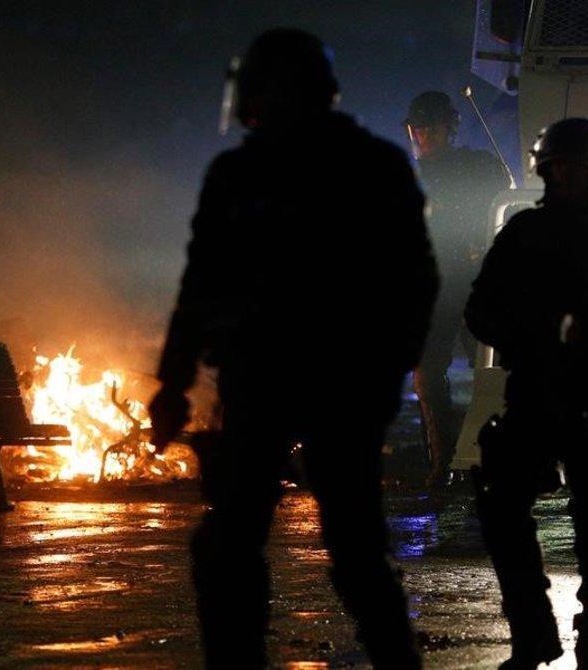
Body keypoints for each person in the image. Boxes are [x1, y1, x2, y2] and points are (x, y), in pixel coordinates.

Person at [149, 28, 438, 669]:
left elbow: (412, 281)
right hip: (296, 386)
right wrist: (173, 381)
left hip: (313, 385)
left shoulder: (263, 172)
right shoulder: (369, 164)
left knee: (302, 549)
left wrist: (173, 385)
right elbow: (203, 284)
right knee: (275, 549)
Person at [465, 118, 588, 669]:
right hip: (534, 390)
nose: (565, 179)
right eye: (557, 168)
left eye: (575, 169)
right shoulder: (526, 233)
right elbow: (480, 311)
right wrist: (531, 332)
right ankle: (533, 631)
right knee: (500, 505)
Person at [404, 91, 508, 487]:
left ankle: (495, 453)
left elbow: (500, 202)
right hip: (430, 287)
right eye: (419, 127)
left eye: (432, 126)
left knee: (494, 370)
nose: (424, 134)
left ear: (449, 127)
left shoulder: (477, 166)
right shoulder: (410, 176)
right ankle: (444, 461)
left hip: (474, 281)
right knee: (428, 377)